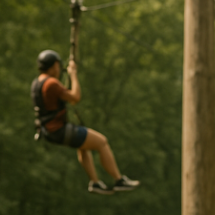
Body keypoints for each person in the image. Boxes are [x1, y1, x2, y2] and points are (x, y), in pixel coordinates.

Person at [31, 49, 140, 195]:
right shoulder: (51, 83)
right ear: (55, 65)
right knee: (102, 142)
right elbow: (75, 97)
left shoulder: (37, 83)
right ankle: (118, 180)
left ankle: (95, 182)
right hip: (59, 130)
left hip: (49, 131)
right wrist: (73, 74)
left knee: (83, 146)